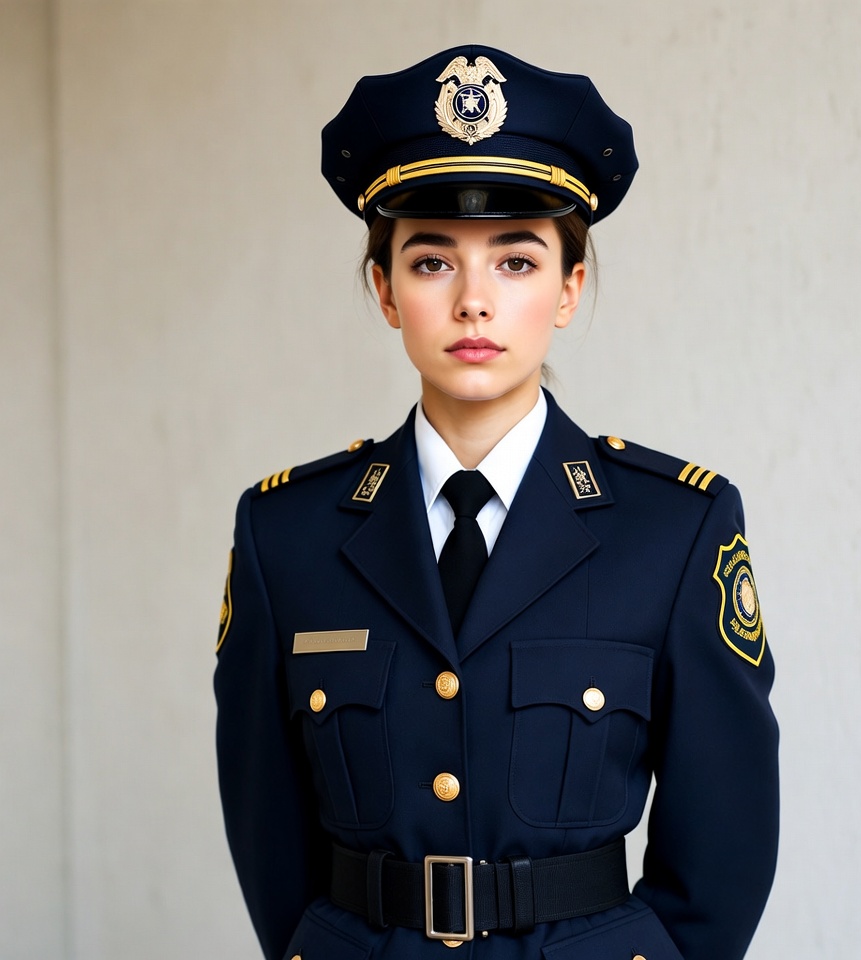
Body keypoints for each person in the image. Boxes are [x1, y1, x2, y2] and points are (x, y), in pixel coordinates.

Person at [214, 44, 779, 960]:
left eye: (516, 262)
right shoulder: (288, 533)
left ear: (570, 288)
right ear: (386, 291)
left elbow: (725, 848)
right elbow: (267, 835)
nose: (474, 302)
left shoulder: (673, 528)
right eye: (432, 262)